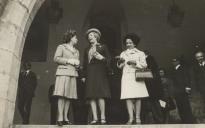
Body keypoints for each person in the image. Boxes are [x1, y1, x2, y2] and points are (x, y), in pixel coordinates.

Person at [117, 33, 149, 124]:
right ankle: (131, 118)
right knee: (128, 97)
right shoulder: (123, 53)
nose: (128, 44)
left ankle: (138, 117)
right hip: (127, 77)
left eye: (130, 43)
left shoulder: (140, 53)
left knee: (138, 97)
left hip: (136, 76)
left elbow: (144, 65)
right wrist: (121, 63)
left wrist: (135, 63)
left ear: (134, 43)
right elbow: (120, 66)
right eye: (127, 43)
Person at [82, 28, 111, 124]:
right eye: (88, 36)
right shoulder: (86, 49)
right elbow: (85, 63)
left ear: (96, 36)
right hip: (90, 73)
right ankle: (95, 118)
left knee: (100, 95)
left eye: (91, 36)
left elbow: (109, 61)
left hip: (100, 72)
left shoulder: (103, 47)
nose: (89, 38)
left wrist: (101, 57)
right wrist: (83, 75)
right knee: (91, 96)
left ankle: (102, 117)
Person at [53, 29, 80, 126]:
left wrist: (77, 65)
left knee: (69, 96)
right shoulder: (61, 47)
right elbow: (56, 58)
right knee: (62, 95)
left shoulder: (77, 51)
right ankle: (60, 117)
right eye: (75, 37)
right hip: (63, 72)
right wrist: (69, 61)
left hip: (72, 74)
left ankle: (65, 117)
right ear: (71, 38)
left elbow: (76, 63)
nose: (77, 39)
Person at [170, 57, 196, 124]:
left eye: (175, 61)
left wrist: (187, 87)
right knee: (180, 106)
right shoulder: (173, 69)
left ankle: (189, 120)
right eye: (173, 61)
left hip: (183, 90)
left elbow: (187, 77)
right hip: (177, 91)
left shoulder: (183, 68)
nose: (174, 62)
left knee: (186, 106)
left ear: (178, 61)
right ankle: (183, 120)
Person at [141, 50, 164, 124]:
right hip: (153, 87)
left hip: (152, 87)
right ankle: (158, 120)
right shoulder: (151, 59)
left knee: (154, 104)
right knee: (154, 104)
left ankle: (159, 120)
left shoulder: (149, 59)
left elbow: (149, 71)